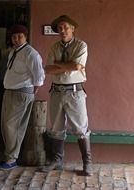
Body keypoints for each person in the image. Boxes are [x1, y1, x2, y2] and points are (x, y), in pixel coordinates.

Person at [41, 15, 93, 176]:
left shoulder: (81, 45)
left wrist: (59, 64)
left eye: (65, 27)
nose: (62, 30)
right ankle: (56, 160)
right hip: (56, 91)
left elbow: (77, 66)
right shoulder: (55, 46)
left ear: (72, 28)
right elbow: (47, 70)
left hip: (75, 91)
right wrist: (67, 66)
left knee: (80, 128)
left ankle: (87, 163)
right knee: (56, 128)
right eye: (59, 28)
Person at [0, 24, 45, 170]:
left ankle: (12, 159)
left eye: (20, 36)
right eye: (14, 36)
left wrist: (31, 92)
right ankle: (9, 156)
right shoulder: (14, 52)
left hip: (21, 93)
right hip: (10, 92)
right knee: (5, 125)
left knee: (13, 126)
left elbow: (39, 76)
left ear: (26, 37)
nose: (16, 38)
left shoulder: (31, 53)